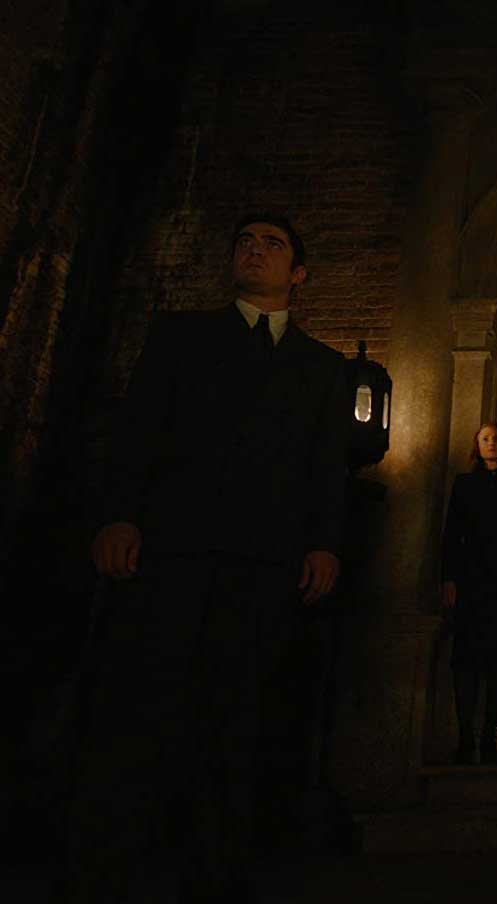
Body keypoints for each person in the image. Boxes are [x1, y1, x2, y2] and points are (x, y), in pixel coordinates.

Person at [65, 213, 350, 902]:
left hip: (264, 565)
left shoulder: (323, 366)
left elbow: (325, 464)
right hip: (174, 554)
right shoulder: (181, 337)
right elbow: (137, 430)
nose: (254, 250)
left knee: (238, 723)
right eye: (245, 241)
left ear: (298, 273)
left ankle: (217, 874)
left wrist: (324, 542)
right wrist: (121, 515)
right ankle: (110, 874)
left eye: (272, 244)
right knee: (145, 714)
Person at [440, 422, 497, 764]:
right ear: (476, 446)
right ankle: (466, 738)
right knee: (466, 662)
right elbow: (452, 534)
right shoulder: (464, 485)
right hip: (471, 582)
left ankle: (490, 736)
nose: (490, 443)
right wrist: (449, 578)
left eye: (495, 439)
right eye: (484, 439)